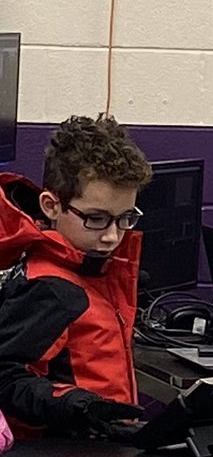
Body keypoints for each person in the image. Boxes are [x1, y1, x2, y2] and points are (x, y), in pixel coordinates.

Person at [0, 115, 150, 438]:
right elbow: (6, 378)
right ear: (51, 206)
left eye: (125, 218)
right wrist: (75, 405)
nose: (112, 236)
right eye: (96, 218)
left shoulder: (98, 271)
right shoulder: (50, 288)